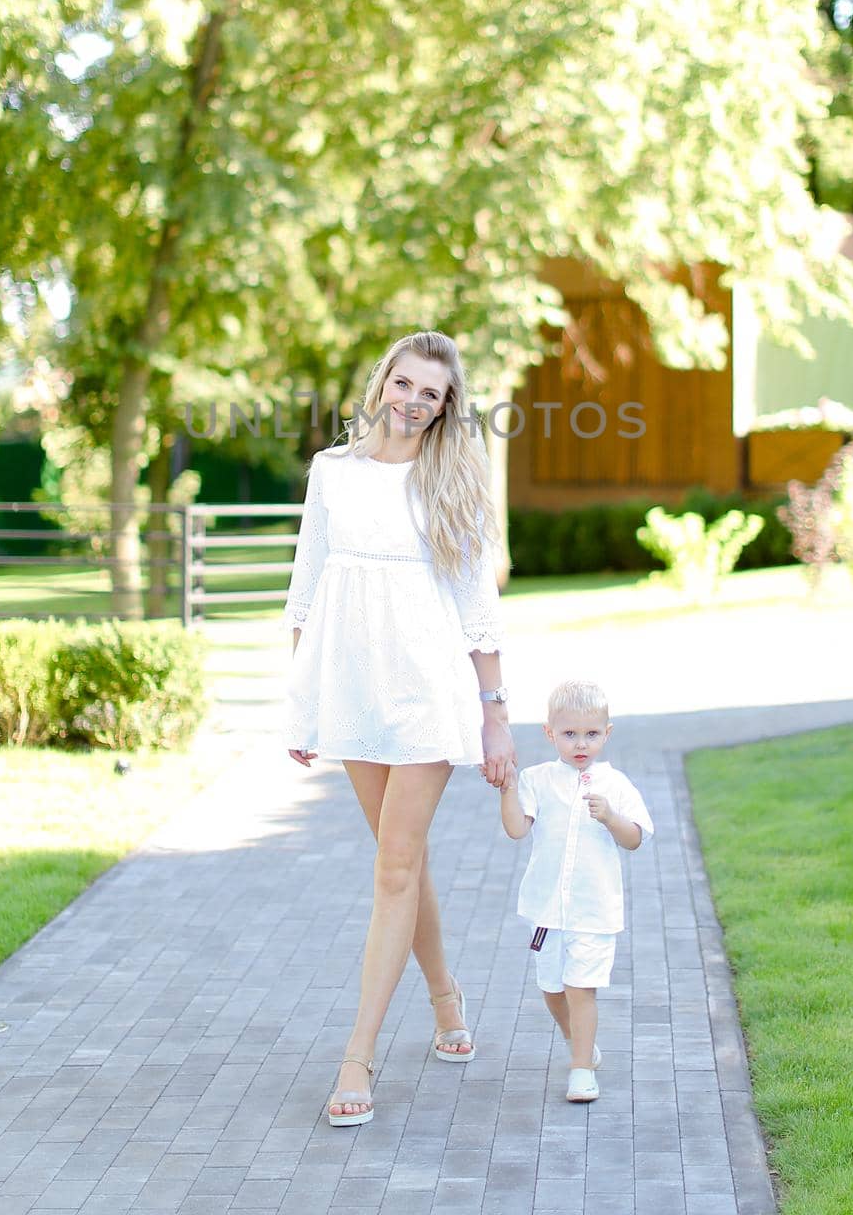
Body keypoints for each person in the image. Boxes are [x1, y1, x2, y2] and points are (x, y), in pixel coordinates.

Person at [284, 329, 516, 1127]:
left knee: (392, 867)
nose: (414, 402)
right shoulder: (332, 473)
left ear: (447, 405)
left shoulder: (451, 477)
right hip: (351, 687)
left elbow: (477, 610)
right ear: (383, 381)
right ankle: (446, 996)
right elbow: (306, 588)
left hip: (427, 687)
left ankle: (359, 1055)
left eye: (432, 393)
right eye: (405, 384)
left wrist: (495, 721)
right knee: (401, 862)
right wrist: (301, 701)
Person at [498, 680, 652, 1103]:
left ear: (607, 733)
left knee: (581, 988)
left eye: (591, 734)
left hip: (593, 909)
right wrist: (506, 786)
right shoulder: (538, 780)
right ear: (550, 733)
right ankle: (580, 1043)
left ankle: (581, 1070)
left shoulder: (615, 784)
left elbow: (635, 838)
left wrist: (611, 818)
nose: (580, 743)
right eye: (569, 734)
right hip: (548, 910)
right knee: (553, 989)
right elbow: (516, 829)